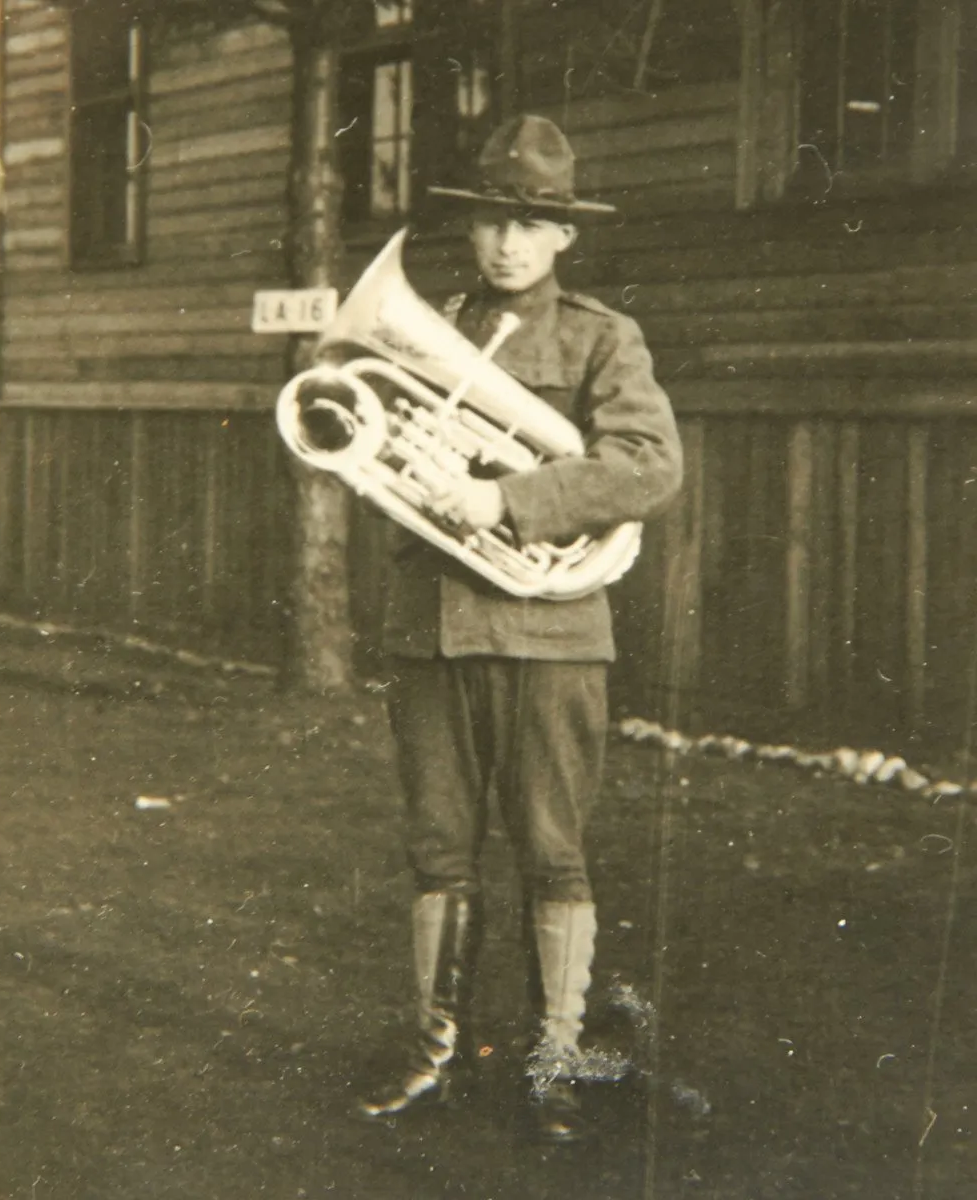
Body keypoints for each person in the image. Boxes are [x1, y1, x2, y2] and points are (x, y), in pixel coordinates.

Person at [359, 114, 684, 1142]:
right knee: (439, 849)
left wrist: (507, 502)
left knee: (553, 852)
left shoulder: (601, 336)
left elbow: (647, 467)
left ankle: (553, 1064)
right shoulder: (435, 322)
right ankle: (432, 1058)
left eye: (530, 224)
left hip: (550, 631)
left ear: (563, 239)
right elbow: (376, 443)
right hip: (433, 629)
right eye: (493, 220)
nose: (507, 242)